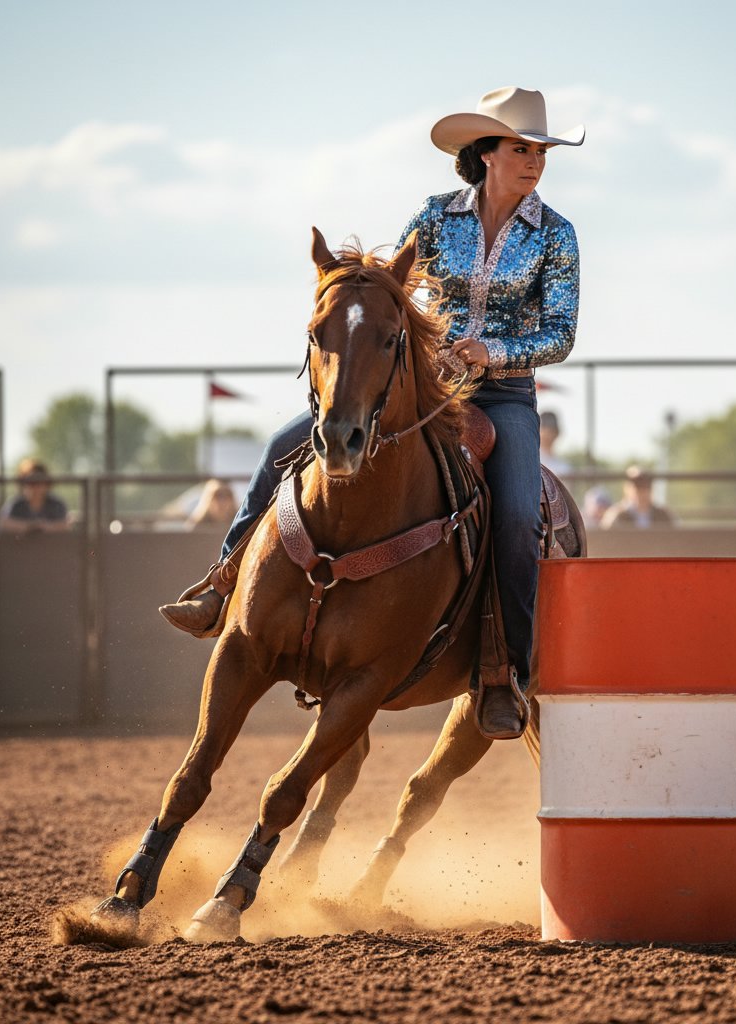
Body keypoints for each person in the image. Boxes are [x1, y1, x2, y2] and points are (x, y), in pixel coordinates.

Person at [161, 86, 584, 739]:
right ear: (486, 153)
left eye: (541, 152)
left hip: (503, 396)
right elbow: (392, 290)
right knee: (280, 448)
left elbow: (560, 333)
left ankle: (503, 672)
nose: (534, 162)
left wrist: (491, 351)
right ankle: (222, 583)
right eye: (521, 148)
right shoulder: (435, 216)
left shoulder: (556, 234)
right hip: (420, 385)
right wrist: (411, 342)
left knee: (518, 513)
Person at [0, 458, 70, 533]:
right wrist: (30, 527)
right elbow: (3, 523)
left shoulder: (56, 504)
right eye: (31, 483)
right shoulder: (16, 504)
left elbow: (65, 524)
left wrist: (45, 527)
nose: (35, 487)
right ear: (23, 484)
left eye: (39, 482)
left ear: (47, 484)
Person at [601, 466, 674, 529]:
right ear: (627, 488)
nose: (641, 491)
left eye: (645, 486)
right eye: (637, 486)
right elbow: (605, 536)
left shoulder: (663, 515)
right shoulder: (616, 515)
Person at [539, 410, 571, 475]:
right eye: (544, 429)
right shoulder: (530, 462)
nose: (548, 434)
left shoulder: (564, 467)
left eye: (551, 431)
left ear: (556, 433)